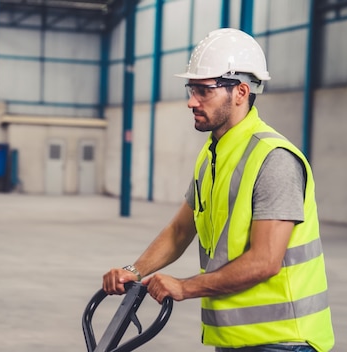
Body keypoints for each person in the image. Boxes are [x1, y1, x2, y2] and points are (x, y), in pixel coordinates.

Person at [102, 28, 335, 351]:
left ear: (240, 92)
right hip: (236, 339)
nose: (190, 101)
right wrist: (134, 271)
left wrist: (184, 287)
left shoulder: (273, 159)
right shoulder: (214, 153)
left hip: (283, 340)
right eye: (190, 89)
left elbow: (265, 261)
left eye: (203, 90)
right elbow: (180, 229)